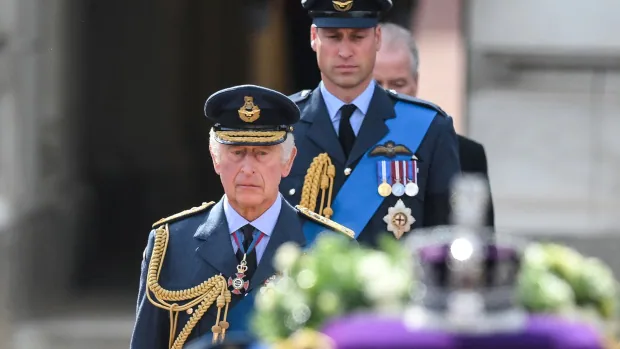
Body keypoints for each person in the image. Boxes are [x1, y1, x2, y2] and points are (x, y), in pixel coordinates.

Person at [129, 85, 354, 349]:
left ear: (288, 162)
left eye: (262, 154)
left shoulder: (328, 245)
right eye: (236, 153)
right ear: (215, 158)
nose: (248, 168)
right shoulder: (171, 243)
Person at [281, 0, 461, 247]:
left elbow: (446, 239)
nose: (345, 52)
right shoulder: (280, 128)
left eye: (357, 37)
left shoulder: (429, 128)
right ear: (314, 37)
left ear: (377, 38)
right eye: (333, 37)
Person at [373, 22, 495, 228]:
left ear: (416, 82)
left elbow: (479, 241)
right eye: (376, 84)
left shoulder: (466, 154)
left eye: (398, 83)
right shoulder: (339, 146)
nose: (388, 94)